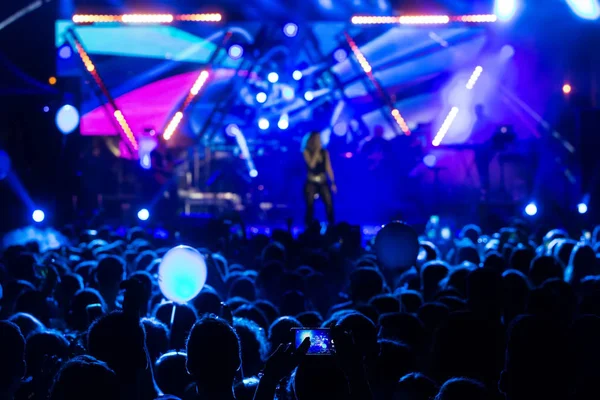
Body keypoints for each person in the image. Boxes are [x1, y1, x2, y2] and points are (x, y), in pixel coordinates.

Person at [301, 131, 336, 226]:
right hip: (311, 181)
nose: (319, 140)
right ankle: (308, 226)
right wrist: (316, 152)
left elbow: (328, 167)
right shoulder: (306, 151)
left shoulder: (324, 152)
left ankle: (331, 225)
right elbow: (311, 165)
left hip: (323, 181)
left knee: (329, 204)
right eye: (317, 138)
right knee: (310, 206)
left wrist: (333, 182)